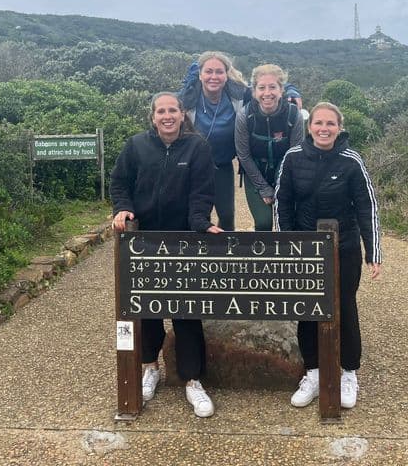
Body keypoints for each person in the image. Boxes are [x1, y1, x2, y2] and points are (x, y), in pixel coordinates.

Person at [110, 92, 223, 418]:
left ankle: (192, 380)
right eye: (161, 111)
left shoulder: (197, 147)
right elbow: (119, 183)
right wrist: (123, 208)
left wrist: (201, 223)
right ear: (153, 117)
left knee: (186, 310)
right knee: (146, 308)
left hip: (182, 239)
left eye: (172, 110)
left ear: (182, 114)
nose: (167, 116)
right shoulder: (136, 146)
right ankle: (150, 368)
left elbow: (202, 191)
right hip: (143, 240)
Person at [273, 102, 382, 410]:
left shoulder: (351, 160)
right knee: (307, 309)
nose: (324, 128)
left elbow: (367, 206)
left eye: (330, 123)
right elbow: (282, 203)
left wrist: (373, 250)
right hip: (306, 248)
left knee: (344, 306)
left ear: (339, 127)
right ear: (309, 127)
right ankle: (313, 372)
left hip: (344, 246)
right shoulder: (292, 157)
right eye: (318, 123)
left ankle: (349, 372)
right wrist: (287, 245)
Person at [178, 51, 301, 231]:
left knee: (227, 217)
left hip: (222, 164)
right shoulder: (187, 99)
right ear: (200, 74)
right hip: (193, 165)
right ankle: (198, 249)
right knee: (197, 215)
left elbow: (266, 83)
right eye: (209, 71)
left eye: (219, 72)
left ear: (227, 75)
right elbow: (167, 107)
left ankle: (225, 248)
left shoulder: (237, 95)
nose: (214, 77)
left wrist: (291, 90)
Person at [235, 64, 304, 231]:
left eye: (272, 87)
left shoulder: (293, 114)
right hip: (255, 171)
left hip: (286, 172)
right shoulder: (245, 115)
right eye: (261, 88)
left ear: (281, 90)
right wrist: (264, 188)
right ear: (254, 91)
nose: (267, 93)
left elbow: (295, 154)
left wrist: (280, 186)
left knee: (287, 221)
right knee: (263, 223)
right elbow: (243, 155)